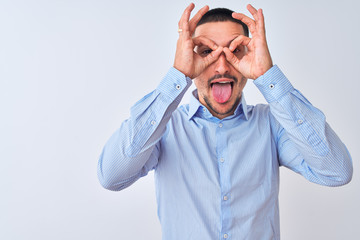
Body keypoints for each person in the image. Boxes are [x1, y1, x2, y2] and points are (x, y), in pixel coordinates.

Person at [97, 3, 353, 239]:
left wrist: (268, 75)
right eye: (206, 51)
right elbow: (112, 176)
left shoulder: (271, 123)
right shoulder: (164, 127)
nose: (221, 67)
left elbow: (336, 171)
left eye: (235, 51)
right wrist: (178, 76)